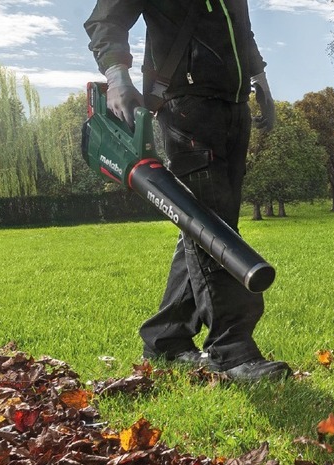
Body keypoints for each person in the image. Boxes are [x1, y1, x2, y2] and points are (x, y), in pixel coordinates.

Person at [85, 0, 291, 380]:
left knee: (207, 225)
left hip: (232, 104)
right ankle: (231, 352)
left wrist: (258, 77)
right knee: (210, 227)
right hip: (185, 106)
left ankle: (166, 339)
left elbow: (239, 27)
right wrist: (117, 79)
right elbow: (105, 20)